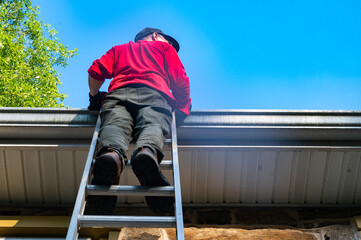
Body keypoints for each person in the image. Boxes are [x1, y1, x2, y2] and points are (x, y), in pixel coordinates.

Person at [85, 27, 191, 215]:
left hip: (118, 94)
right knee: (153, 124)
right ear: (156, 36)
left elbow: (95, 72)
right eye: (168, 41)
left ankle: (112, 156)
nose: (170, 46)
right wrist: (183, 108)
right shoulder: (164, 49)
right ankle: (146, 153)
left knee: (115, 126)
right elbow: (180, 80)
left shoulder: (119, 49)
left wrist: (94, 98)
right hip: (155, 94)